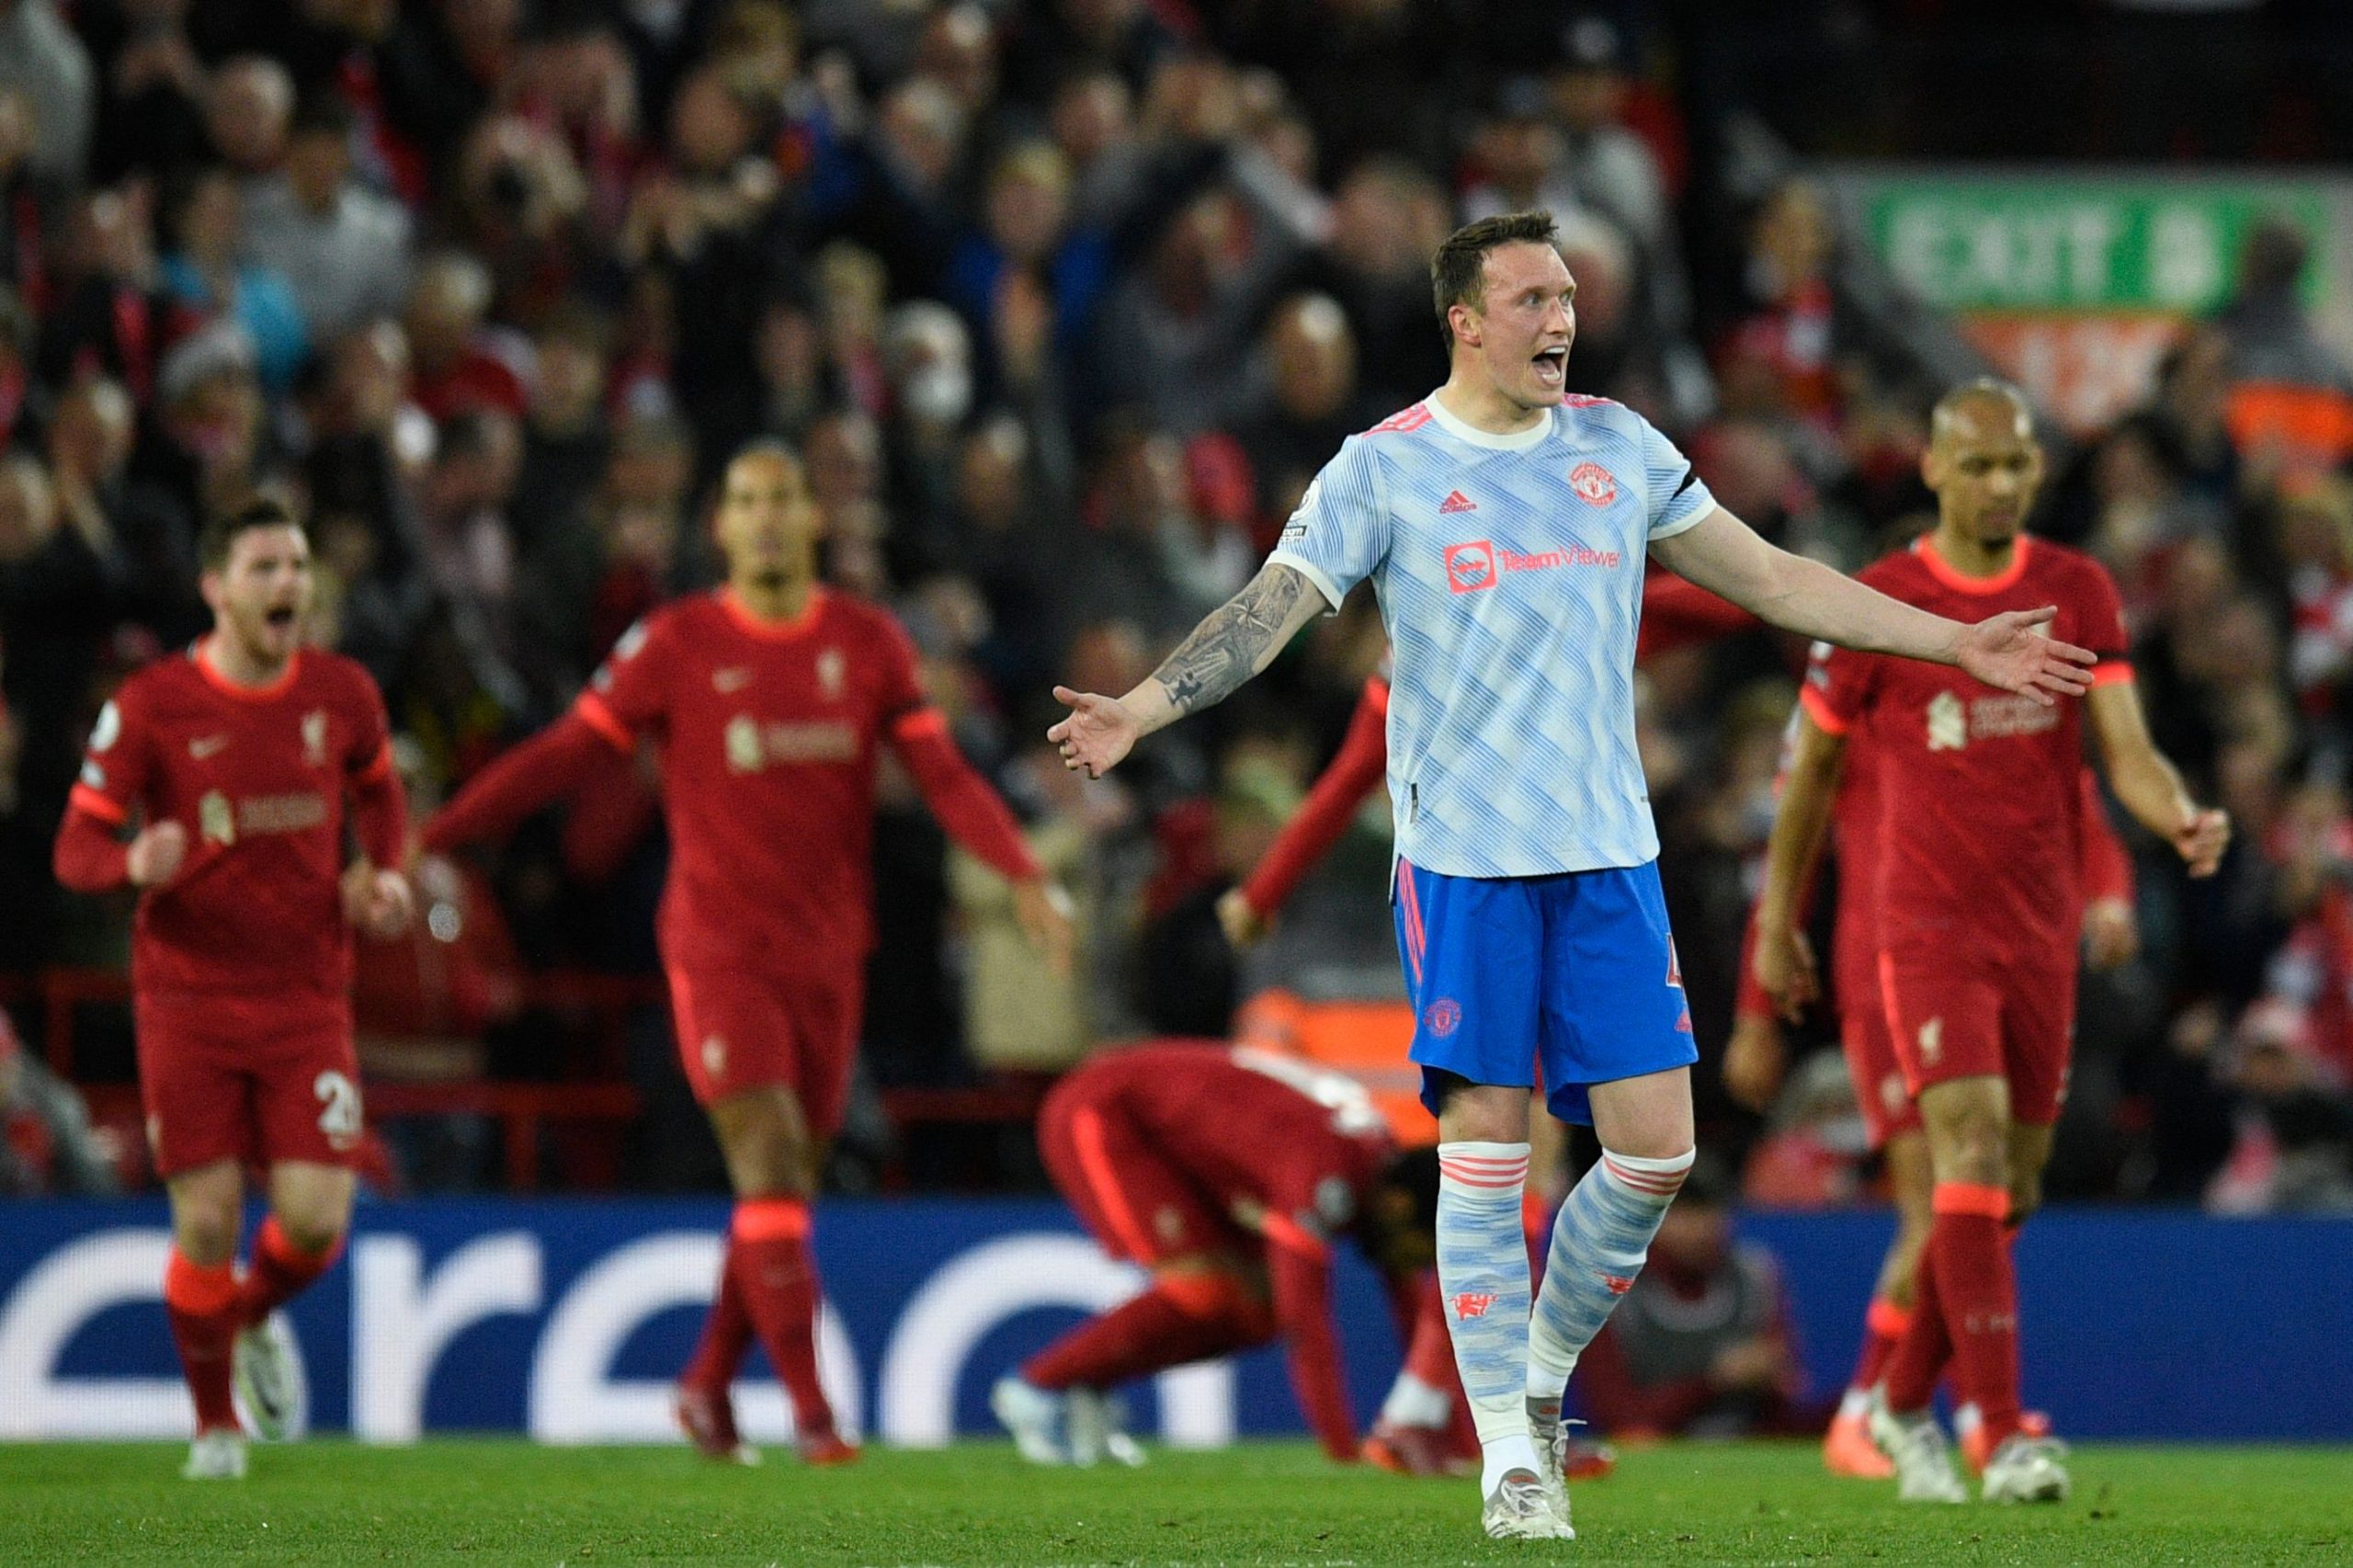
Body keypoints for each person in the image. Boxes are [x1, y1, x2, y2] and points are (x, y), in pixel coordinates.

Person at [1049, 210, 2096, 1540]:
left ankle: (1537, 1383)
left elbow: (1776, 579)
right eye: (1533, 298)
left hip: (1611, 859)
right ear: (1465, 323)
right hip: (1468, 869)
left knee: (1659, 1153)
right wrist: (1143, 707)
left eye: (1569, 298)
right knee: (1485, 1155)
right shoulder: (1386, 469)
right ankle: (1507, 1455)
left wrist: (1954, 643)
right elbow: (1269, 608)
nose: (1561, 319)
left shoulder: (1620, 447)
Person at [422, 439, 1071, 1466]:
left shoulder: (869, 644)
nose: (765, 518)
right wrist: (432, 837)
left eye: (783, 500)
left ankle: (706, 1385)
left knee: (785, 1189)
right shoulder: (675, 642)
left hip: (829, 956)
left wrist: (1022, 869)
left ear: (815, 519)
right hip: (719, 950)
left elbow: (943, 775)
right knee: (768, 1158)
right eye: (744, 501)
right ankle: (815, 1416)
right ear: (717, 525)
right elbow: (561, 753)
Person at [1747, 380, 2229, 1506]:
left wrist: (2176, 812)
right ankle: (2001, 1431)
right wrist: (1775, 924)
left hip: (2036, 932)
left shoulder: (2077, 590)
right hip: (1921, 928)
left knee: (2003, 1196)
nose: (2001, 484)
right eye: (1978, 464)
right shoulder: (1883, 603)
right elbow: (1810, 776)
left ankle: (1899, 1400)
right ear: (1931, 467)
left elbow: (2126, 749)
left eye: (2016, 464)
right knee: (1957, 1161)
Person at [51, 498, 414, 1481]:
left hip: (306, 997)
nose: (288, 583)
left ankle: (247, 1317)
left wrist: (383, 871)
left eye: (296, 565)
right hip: (188, 1000)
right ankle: (215, 1429)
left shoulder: (342, 693)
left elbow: (381, 794)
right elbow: (74, 844)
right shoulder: (154, 704)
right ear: (215, 589)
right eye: (264, 568)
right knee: (206, 1220)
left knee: (312, 1221)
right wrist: (131, 861)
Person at [1728, 729, 2136, 1479]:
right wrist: (1757, 1009)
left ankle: (1927, 1404)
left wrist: (2109, 895)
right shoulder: (1857, 679)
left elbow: (2078, 802)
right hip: (1890, 967)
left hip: (2003, 959)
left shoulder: (1995, 669)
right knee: (1940, 1201)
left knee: (1997, 1198)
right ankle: (1906, 1413)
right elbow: (1795, 844)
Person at [992, 1041, 1438, 1466]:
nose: (1416, 1265)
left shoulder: (1379, 1167)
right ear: (1399, 1208)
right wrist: (1343, 1453)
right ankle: (1037, 1388)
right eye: (1422, 1251)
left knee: (1256, 1311)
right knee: (1202, 1292)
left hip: (1181, 1142)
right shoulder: (1327, 1174)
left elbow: (1410, 1311)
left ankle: (1084, 1383)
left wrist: (1448, 1443)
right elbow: (1306, 1318)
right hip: (1105, 1109)